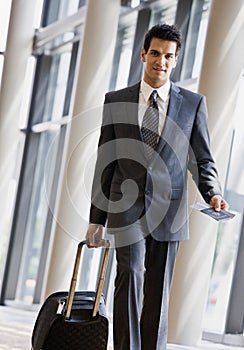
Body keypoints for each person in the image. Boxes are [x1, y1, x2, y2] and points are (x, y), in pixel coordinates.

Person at [86, 23, 228, 350]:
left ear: (175, 60)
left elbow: (203, 159)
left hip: (171, 209)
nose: (160, 61)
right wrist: (97, 218)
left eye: (168, 56)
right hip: (126, 207)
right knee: (129, 276)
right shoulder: (116, 100)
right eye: (154, 53)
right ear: (142, 54)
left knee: (157, 293)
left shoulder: (192, 104)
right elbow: (105, 161)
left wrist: (214, 192)